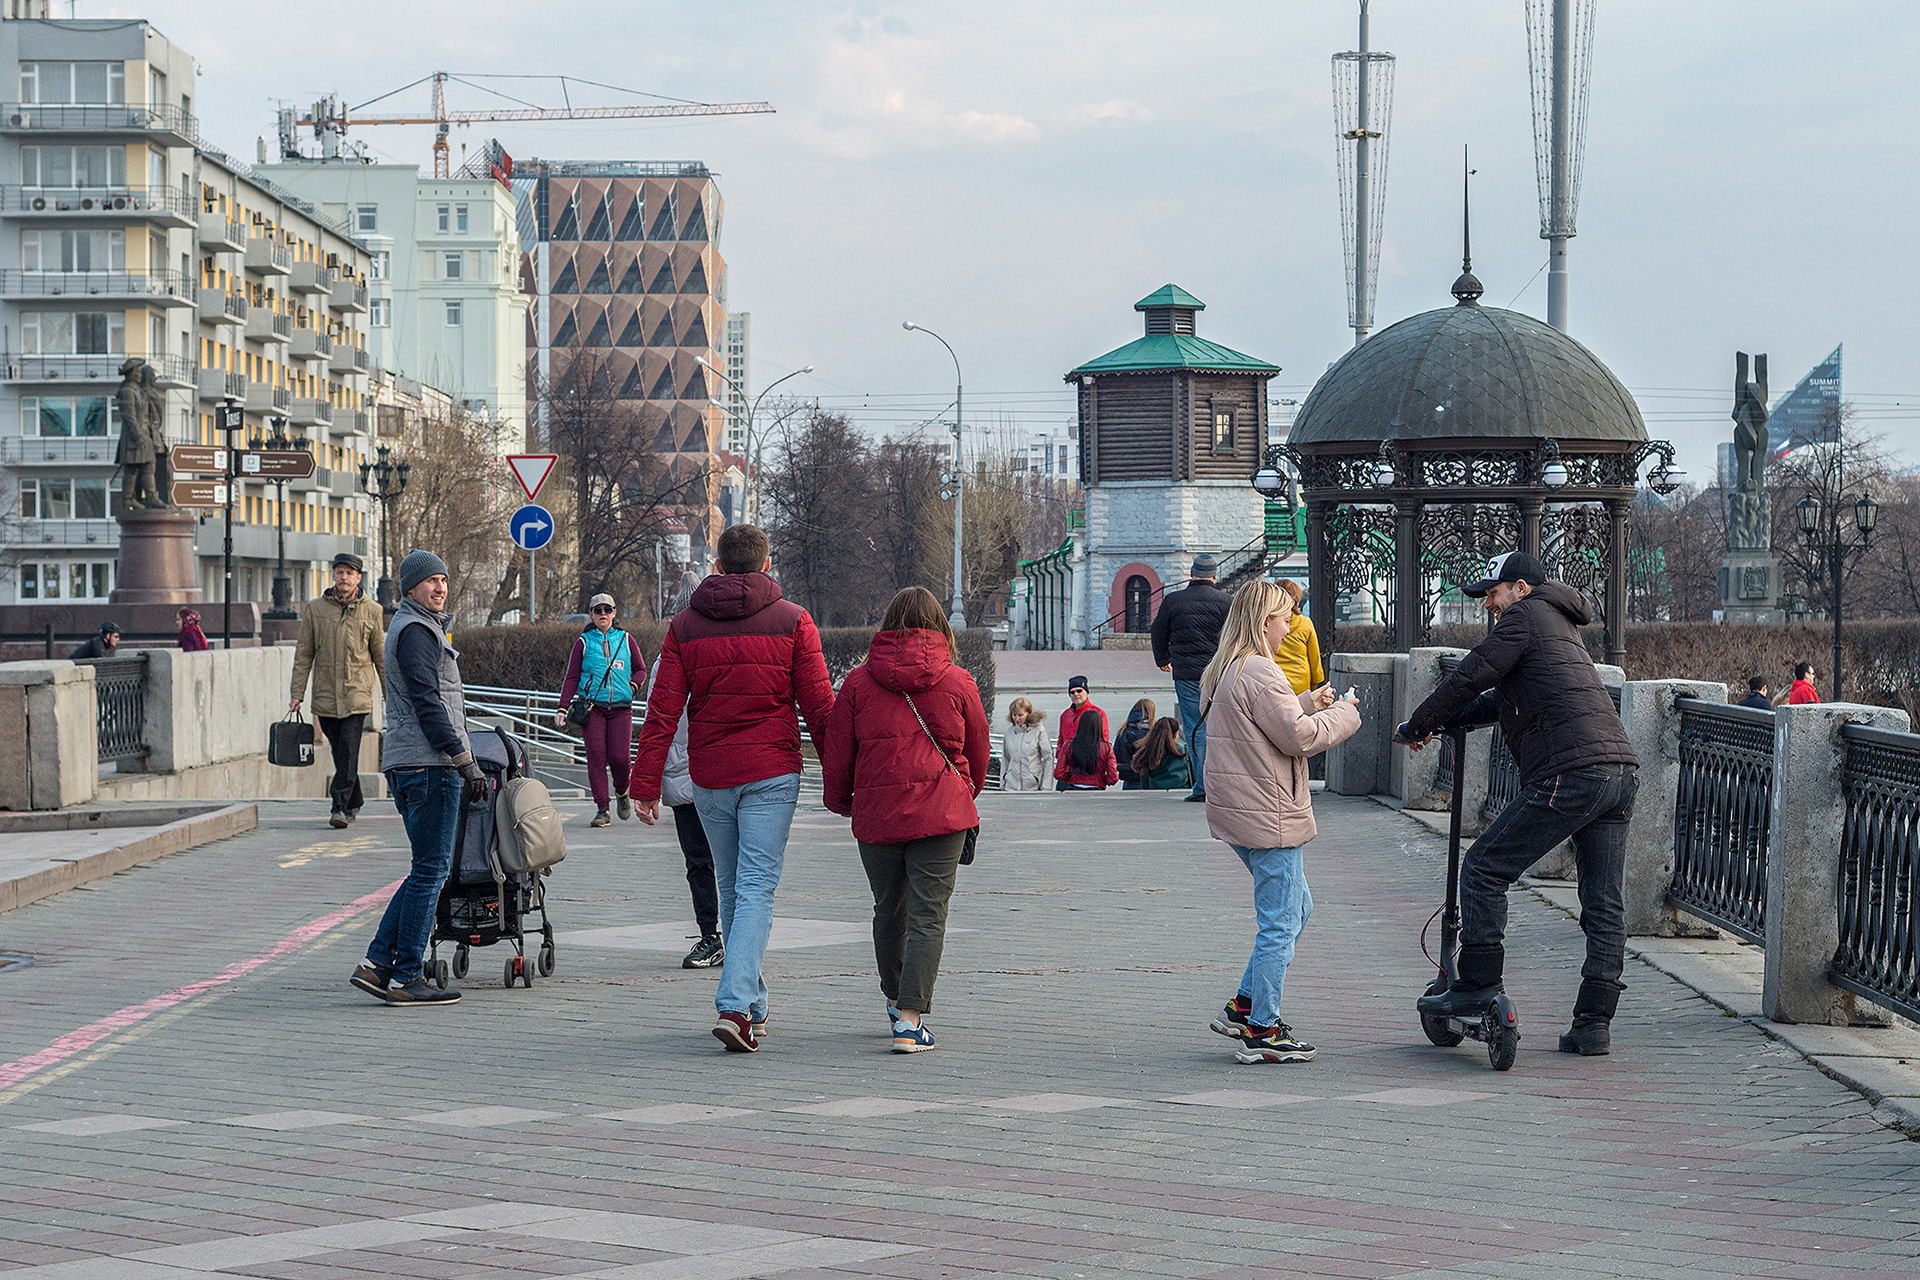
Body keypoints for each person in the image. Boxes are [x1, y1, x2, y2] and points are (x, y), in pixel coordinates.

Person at [1397, 551, 1639, 1056]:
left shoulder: (1524, 617)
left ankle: (1479, 982)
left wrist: (1416, 723)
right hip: (1617, 772)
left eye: (1494, 593)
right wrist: (1440, 724)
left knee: (1484, 866)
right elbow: (1499, 699)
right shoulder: (1557, 622)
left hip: (1571, 772)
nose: (1489, 604)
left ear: (1521, 589)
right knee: (1603, 901)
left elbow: (1470, 676)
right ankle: (1594, 1022)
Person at [629, 524, 835, 1053]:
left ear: (717, 566)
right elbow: (818, 709)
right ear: (767, 565)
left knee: (733, 886)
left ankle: (755, 1003)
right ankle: (734, 1006)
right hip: (771, 771)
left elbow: (662, 711)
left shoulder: (685, 626)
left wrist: (646, 781)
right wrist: (844, 777)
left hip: (711, 778)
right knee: (756, 888)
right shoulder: (794, 621)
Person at [821, 586, 990, 1053]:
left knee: (887, 910)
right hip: (942, 814)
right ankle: (911, 1021)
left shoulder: (857, 682)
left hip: (877, 817)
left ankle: (896, 1000)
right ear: (938, 626)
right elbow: (978, 750)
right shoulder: (958, 680)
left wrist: (841, 801)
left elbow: (837, 752)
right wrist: (963, 795)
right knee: (928, 915)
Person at [1200, 580, 1360, 1064]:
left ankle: (1245, 1003)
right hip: (1268, 811)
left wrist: (1308, 701)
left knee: (1298, 907)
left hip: (1242, 809)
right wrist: (1344, 715)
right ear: (1264, 621)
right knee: (1281, 920)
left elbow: (1268, 719)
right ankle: (1262, 1030)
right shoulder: (1261, 671)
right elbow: (1296, 738)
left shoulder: (1230, 666)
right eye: (1285, 618)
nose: (1290, 626)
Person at [350, 550, 483, 1006]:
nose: (439, 587)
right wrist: (463, 758)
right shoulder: (417, 631)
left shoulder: (418, 627)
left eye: (444, 579)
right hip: (428, 764)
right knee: (431, 870)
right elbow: (430, 704)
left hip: (413, 761)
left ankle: (376, 964)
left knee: (424, 868)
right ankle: (407, 976)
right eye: (430, 581)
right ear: (410, 588)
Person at [647, 575, 723, 971]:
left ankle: (725, 935)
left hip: (713, 773)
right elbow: (658, 724)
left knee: (712, 861)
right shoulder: (666, 663)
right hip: (688, 775)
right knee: (704, 860)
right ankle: (712, 934)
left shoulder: (723, 651)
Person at [291, 552, 386, 829]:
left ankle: (339, 806)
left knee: (348, 748)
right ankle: (355, 798)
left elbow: (379, 655)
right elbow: (304, 654)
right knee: (339, 751)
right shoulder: (315, 609)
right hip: (325, 694)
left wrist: (389, 693)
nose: (344, 578)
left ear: (358, 578)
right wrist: (297, 693)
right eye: (340, 572)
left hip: (357, 693)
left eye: (349, 573)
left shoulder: (372, 610)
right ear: (333, 575)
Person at [553, 593, 642, 828]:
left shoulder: (626, 639)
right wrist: (562, 707)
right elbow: (572, 676)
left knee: (620, 759)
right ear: (591, 615)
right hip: (593, 709)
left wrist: (633, 685)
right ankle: (602, 808)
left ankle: (622, 792)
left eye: (607, 610)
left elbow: (641, 669)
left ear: (614, 613)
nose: (603, 614)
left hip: (621, 709)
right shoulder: (583, 643)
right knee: (596, 758)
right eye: (598, 610)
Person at [1151, 553, 1232, 802]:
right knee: (1221, 727)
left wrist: (1162, 659)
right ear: (1215, 576)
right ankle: (1221, 786)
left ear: (1191, 574)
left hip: (1186, 674)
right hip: (1218, 673)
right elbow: (1234, 637)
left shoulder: (1174, 600)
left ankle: (1201, 787)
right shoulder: (1226, 601)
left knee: (1195, 727)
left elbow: (1157, 630)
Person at [1272, 580, 1324, 699]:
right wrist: (1314, 685)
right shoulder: (1305, 623)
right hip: (1301, 686)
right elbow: (1315, 659)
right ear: (1297, 600)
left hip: (1275, 684)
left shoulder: (1267, 622)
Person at [1053, 675, 1106, 792]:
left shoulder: (1098, 713)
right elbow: (1061, 740)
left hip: (1088, 774)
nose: (1076, 694)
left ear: (1086, 692)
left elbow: (1103, 742)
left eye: (1079, 691)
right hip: (1067, 772)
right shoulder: (1065, 715)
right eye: (1072, 692)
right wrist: (1061, 756)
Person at [1054, 704, 1119, 790]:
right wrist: (1102, 780)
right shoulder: (1106, 747)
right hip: (1097, 786)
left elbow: (1058, 773)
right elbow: (1113, 777)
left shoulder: (1069, 744)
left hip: (1074, 785)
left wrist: (1070, 777)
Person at [1000, 698, 1050, 792]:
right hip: (1011, 785)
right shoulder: (1009, 732)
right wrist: (1002, 782)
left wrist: (1046, 786)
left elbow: (1048, 757)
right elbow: (1005, 758)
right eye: (1014, 715)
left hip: (1032, 785)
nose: (1017, 718)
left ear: (1028, 714)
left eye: (1020, 715)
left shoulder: (1039, 730)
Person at [1132, 717, 1192, 791]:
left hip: (1155, 792)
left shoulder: (1148, 751)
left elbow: (1144, 779)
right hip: (1181, 790)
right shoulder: (1184, 751)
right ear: (1176, 734)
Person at [1113, 698, 1156, 790]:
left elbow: (1115, 756)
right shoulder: (1154, 732)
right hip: (1148, 780)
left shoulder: (1123, 731)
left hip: (1129, 779)